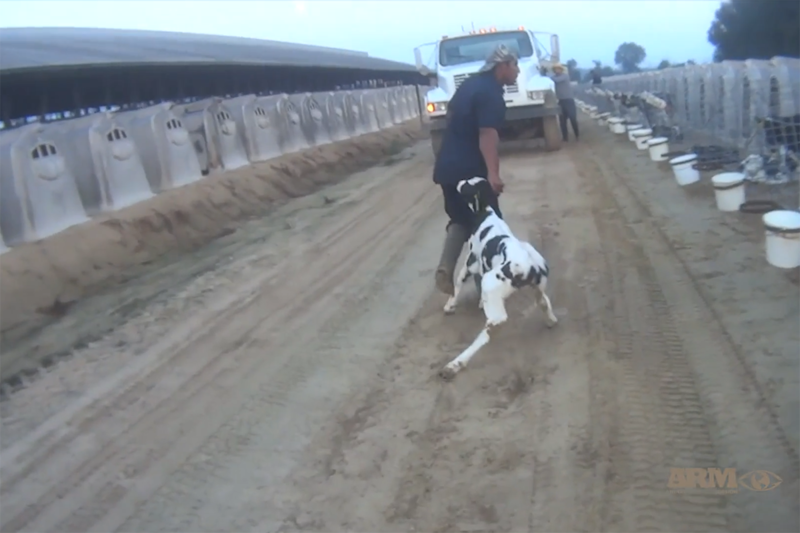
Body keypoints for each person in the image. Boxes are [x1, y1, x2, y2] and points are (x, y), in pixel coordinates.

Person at [432, 45, 520, 296]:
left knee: (460, 218)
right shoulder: (491, 93)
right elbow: (487, 134)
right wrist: (492, 174)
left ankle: (445, 269)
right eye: (514, 65)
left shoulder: (470, 85)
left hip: (448, 169)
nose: (517, 71)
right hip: (471, 174)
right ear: (502, 66)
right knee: (488, 224)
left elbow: (453, 119)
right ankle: (487, 288)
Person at [544, 62, 579, 142]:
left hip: (569, 100)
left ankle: (577, 135)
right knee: (562, 121)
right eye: (555, 69)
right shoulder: (554, 78)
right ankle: (565, 137)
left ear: (561, 70)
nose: (557, 70)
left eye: (558, 69)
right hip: (561, 101)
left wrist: (546, 75)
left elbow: (556, 80)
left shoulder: (565, 76)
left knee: (572, 119)